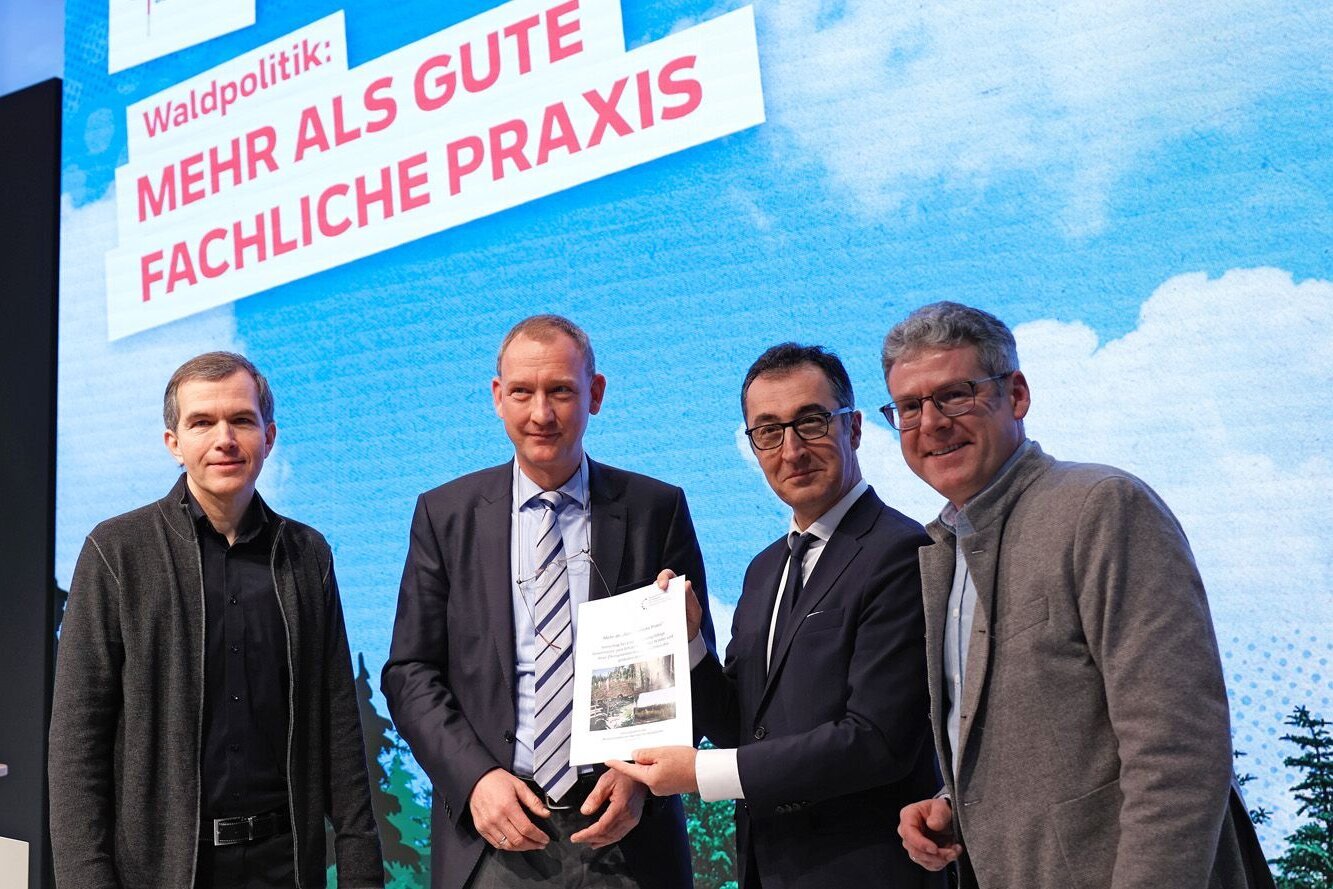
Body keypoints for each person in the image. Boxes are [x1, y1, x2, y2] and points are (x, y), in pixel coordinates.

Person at [883, 302, 1274, 889]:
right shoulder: (945, 549)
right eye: (910, 408)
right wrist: (953, 799)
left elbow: (1179, 752)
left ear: (1016, 395)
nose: (931, 423)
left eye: (956, 395)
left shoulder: (1103, 506)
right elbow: (1048, 732)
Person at [382, 315, 714, 889]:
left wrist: (642, 778)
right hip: (494, 836)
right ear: (497, 397)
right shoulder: (445, 515)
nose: (541, 413)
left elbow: (695, 668)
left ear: (596, 394)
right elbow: (410, 672)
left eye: (561, 390)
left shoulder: (656, 508)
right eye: (522, 392)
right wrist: (475, 778)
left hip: (625, 830)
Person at [610, 343, 943, 889]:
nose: (791, 450)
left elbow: (876, 740)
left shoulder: (902, 551)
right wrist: (688, 643)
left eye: (811, 422)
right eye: (768, 432)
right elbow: (740, 724)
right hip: (768, 870)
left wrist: (700, 773)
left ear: (854, 428)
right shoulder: (764, 569)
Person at [49, 351, 384, 888]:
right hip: (164, 873)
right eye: (201, 422)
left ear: (268, 437)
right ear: (173, 442)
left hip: (285, 867)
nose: (224, 439)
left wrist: (362, 874)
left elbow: (340, 726)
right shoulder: (116, 552)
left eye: (242, 420)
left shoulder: (307, 554)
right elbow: (76, 748)